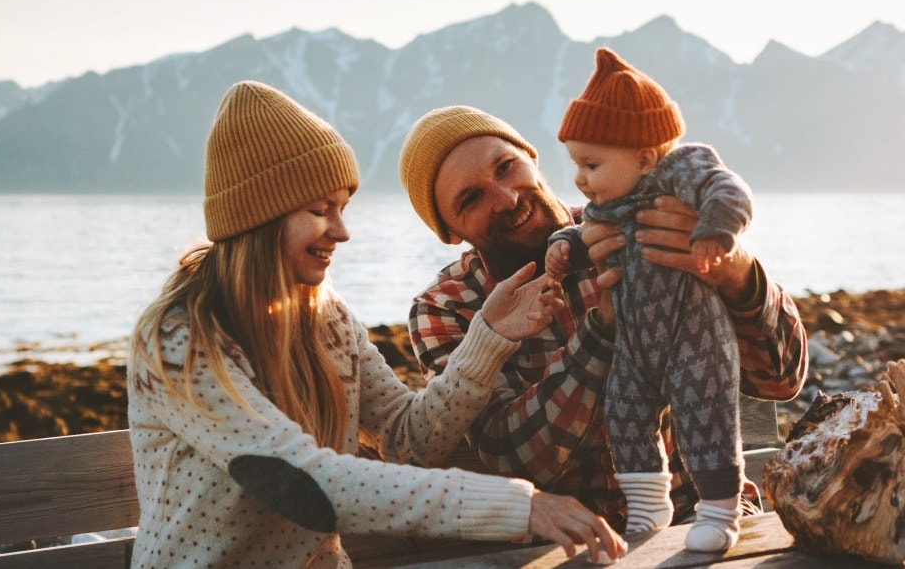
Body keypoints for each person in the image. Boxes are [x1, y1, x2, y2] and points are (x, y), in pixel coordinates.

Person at [127, 80, 627, 567]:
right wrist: (523, 504)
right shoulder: (180, 338)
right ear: (259, 217)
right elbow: (298, 479)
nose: (342, 232)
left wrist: (488, 339)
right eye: (320, 210)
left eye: (342, 208)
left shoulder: (326, 318)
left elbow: (409, 440)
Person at [397, 72, 808, 542]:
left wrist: (735, 272)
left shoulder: (650, 219)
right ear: (449, 231)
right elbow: (515, 457)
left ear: (533, 158)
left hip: (707, 518)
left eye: (506, 167)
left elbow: (781, 379)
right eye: (472, 198)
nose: (507, 198)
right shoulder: (448, 308)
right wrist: (603, 331)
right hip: (574, 546)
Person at [543, 47, 754, 552]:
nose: (579, 178)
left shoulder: (680, 172)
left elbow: (729, 190)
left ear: (643, 156)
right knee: (625, 414)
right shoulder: (608, 207)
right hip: (635, 348)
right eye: (575, 164)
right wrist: (561, 247)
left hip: (692, 336)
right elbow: (582, 232)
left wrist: (716, 233)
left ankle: (721, 512)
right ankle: (647, 505)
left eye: (591, 163)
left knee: (707, 414)